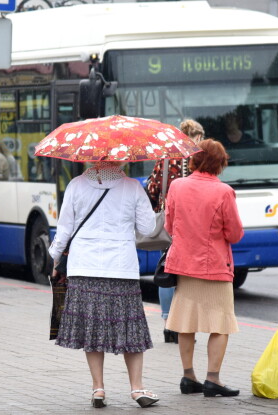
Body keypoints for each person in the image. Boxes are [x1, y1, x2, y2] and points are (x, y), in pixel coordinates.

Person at [49, 161, 158, 409]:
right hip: (122, 268)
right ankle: (137, 388)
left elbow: (64, 229)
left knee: (92, 329)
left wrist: (55, 259)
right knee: (131, 328)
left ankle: (98, 388)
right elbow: (148, 228)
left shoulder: (76, 186)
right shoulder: (132, 187)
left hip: (84, 266)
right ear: (121, 160)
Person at [163, 139, 244, 397]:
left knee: (186, 323)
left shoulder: (177, 186)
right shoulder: (224, 192)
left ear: (194, 160)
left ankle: (188, 377)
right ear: (220, 163)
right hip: (214, 267)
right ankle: (213, 379)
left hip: (184, 266)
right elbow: (234, 233)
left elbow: (169, 225)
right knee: (220, 324)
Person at [146, 119, 205, 344]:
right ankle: (183, 325)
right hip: (191, 224)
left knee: (166, 270)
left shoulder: (165, 158)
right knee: (187, 275)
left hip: (168, 223)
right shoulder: (198, 160)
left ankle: (167, 324)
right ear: (196, 136)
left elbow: (152, 188)